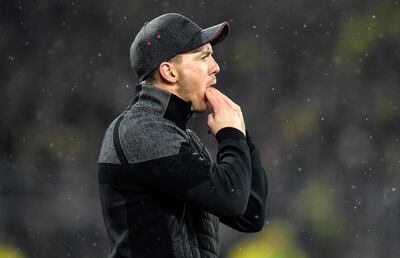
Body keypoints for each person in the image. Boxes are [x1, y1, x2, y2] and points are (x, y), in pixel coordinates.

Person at [97, 13, 268, 258]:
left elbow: (250, 214)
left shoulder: (177, 136)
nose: (215, 67)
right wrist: (230, 135)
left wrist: (241, 135)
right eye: (204, 57)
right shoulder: (141, 131)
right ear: (169, 72)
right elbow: (231, 199)